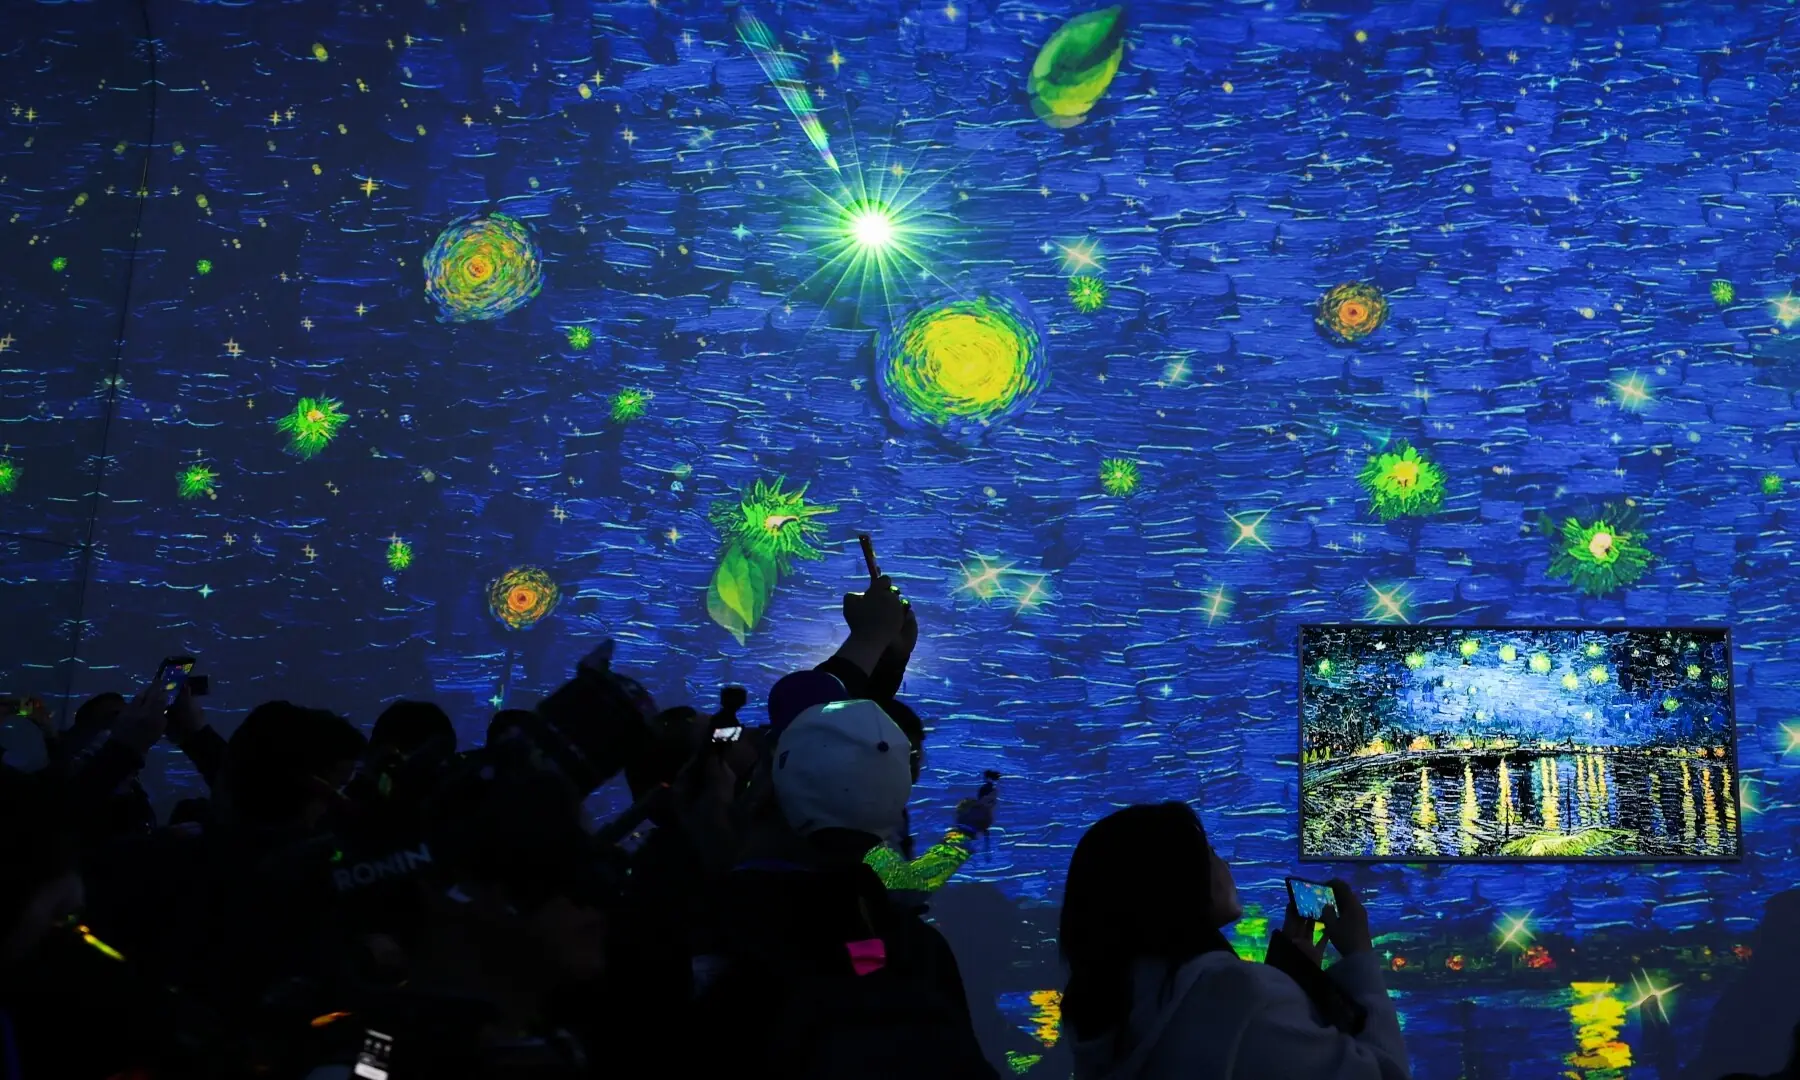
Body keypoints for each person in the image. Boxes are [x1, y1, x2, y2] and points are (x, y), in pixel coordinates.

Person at [688, 696, 997, 1079]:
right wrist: (963, 834)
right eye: (911, 755)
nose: (917, 766)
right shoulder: (906, 942)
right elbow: (908, 887)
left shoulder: (734, 891)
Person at [1060, 803, 1409, 1080]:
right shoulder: (1243, 998)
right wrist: (1359, 956)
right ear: (1177, 879)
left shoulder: (1106, 1013)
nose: (1224, 862)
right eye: (1210, 851)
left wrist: (1294, 985)